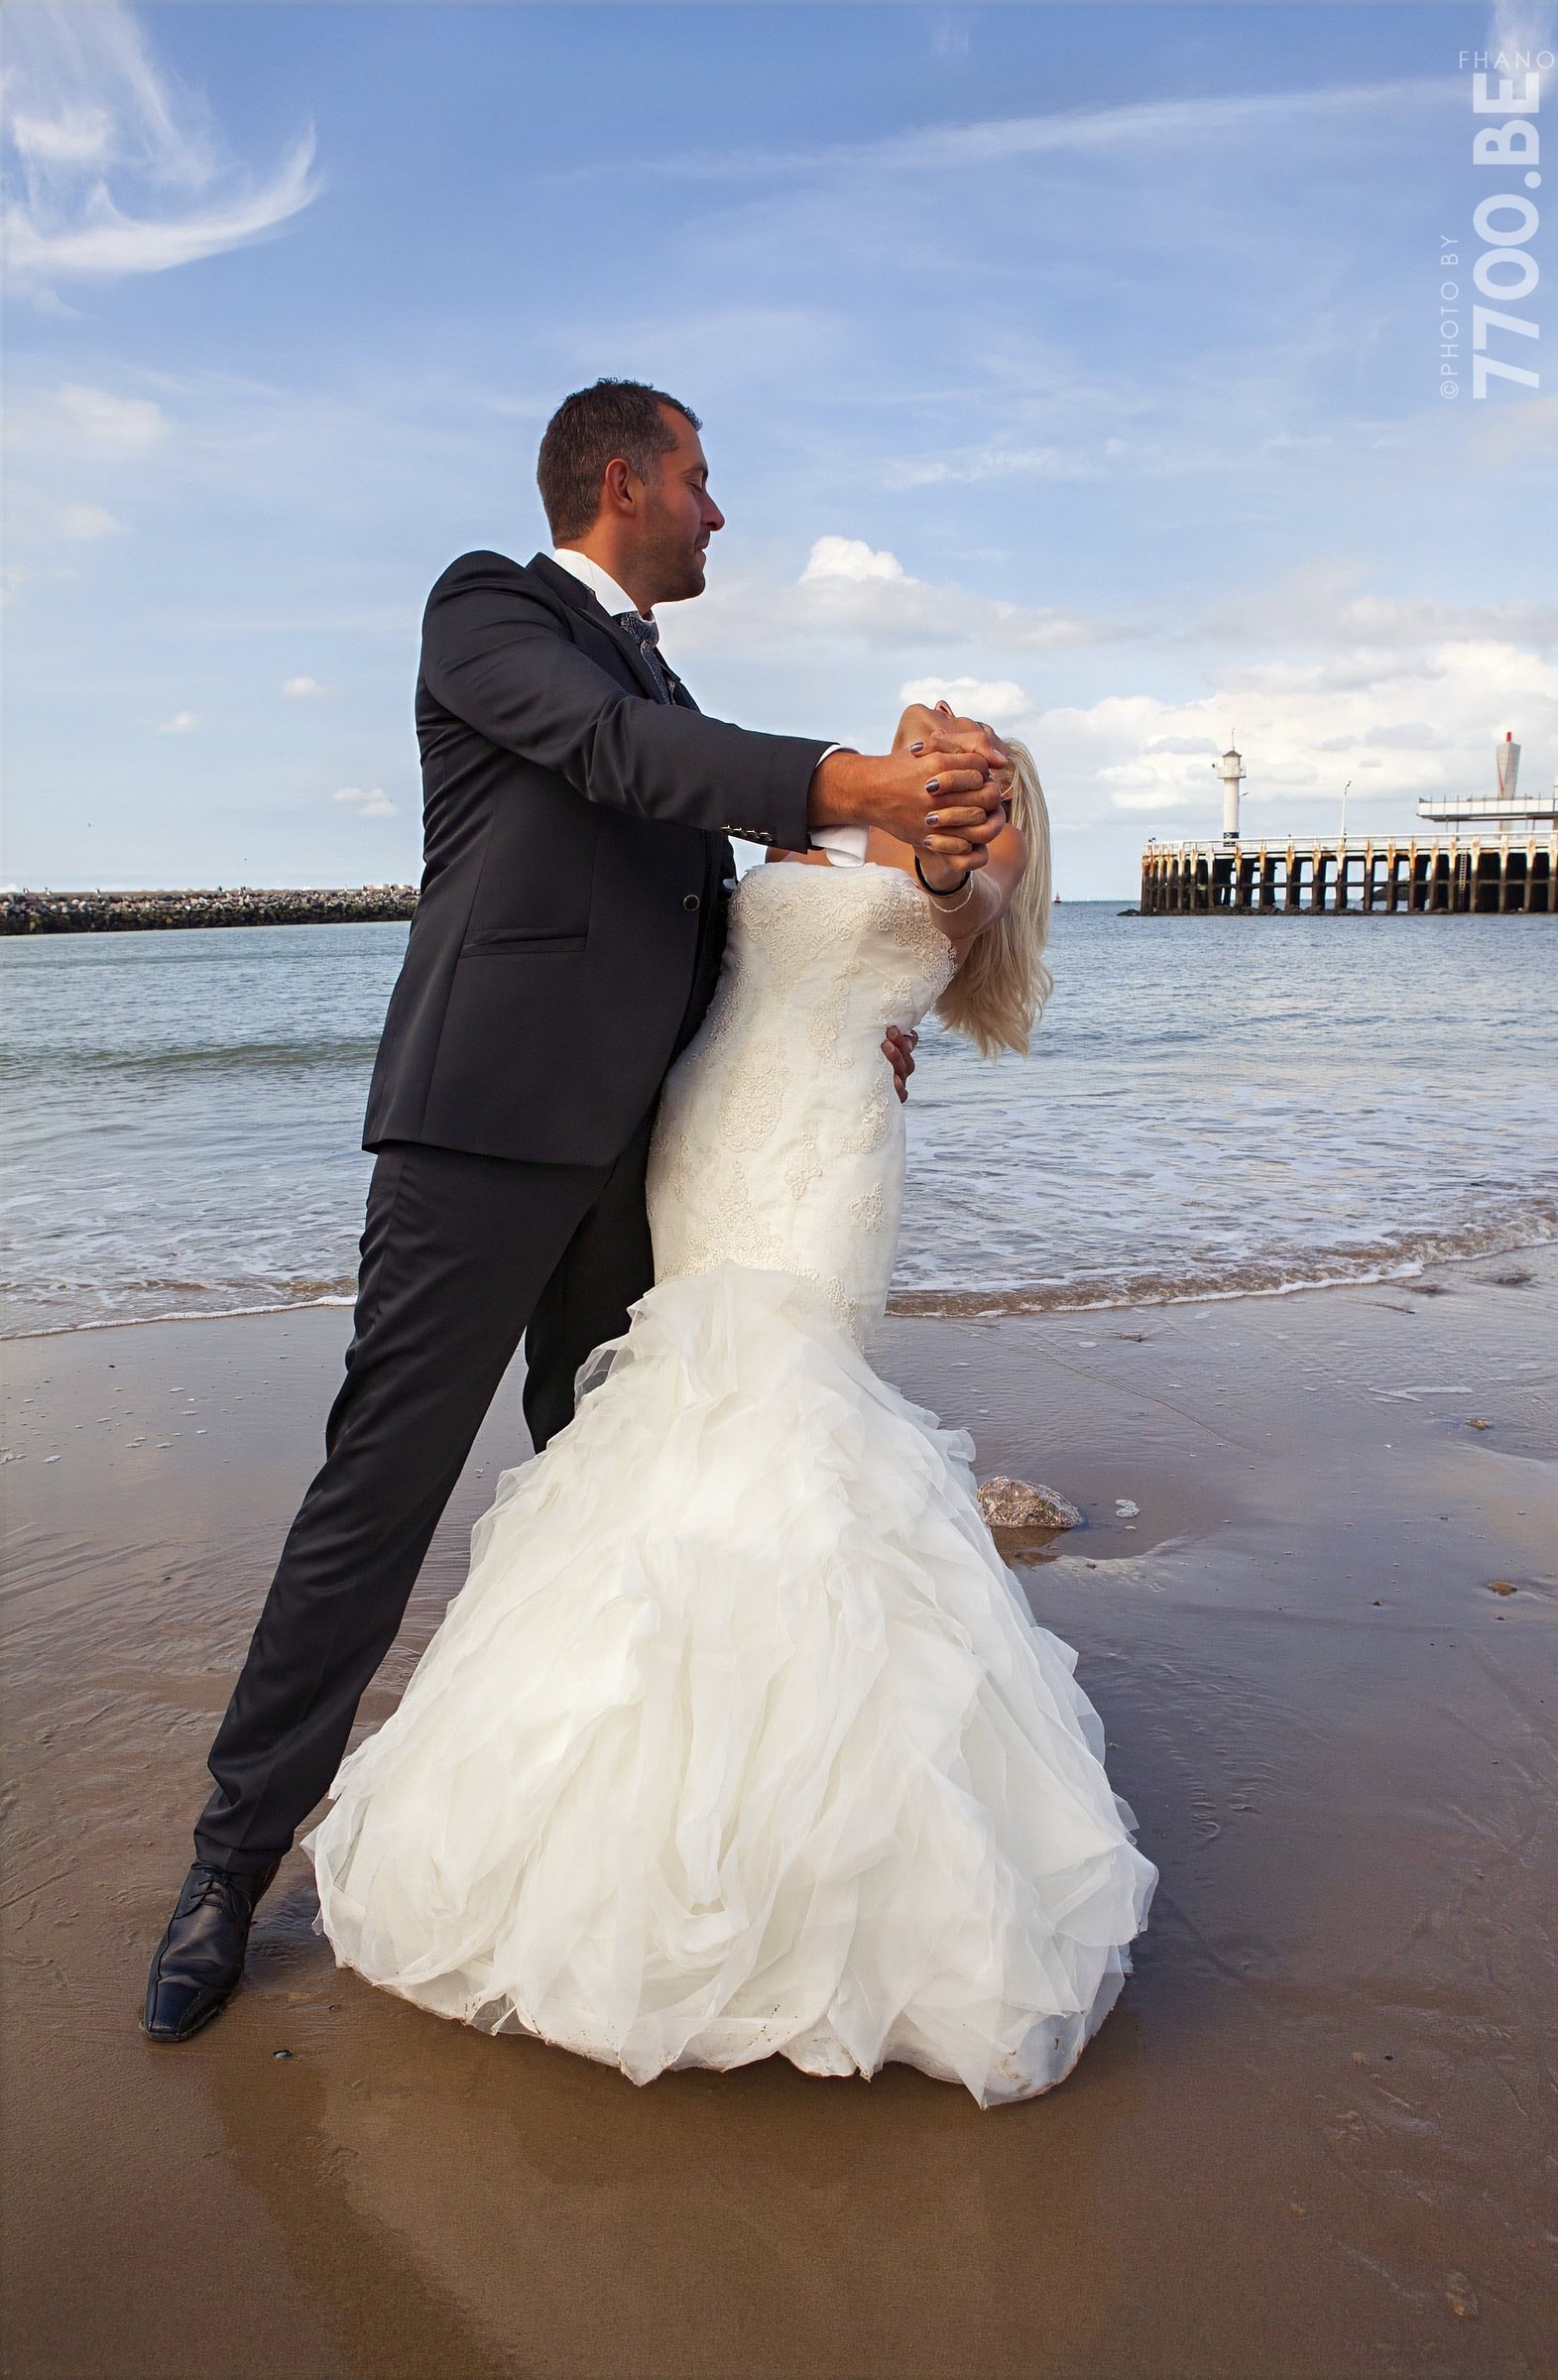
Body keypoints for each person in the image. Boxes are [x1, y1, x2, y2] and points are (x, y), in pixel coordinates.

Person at [143, 379, 1010, 2044]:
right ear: (625, 480)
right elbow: (628, 760)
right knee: (377, 1496)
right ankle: (226, 1864)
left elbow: (719, 881)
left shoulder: (668, 684)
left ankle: (562, 1857)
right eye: (701, 477)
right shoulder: (490, 612)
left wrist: (844, 1017)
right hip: (482, 1138)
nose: (718, 509)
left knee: (602, 1509)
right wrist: (858, 781)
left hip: (650, 1167)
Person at [304, 721, 1156, 2108]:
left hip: (822, 1159)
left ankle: (821, 1881)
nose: (929, 726)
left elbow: (955, 917)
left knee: (791, 1437)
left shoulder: (973, 841)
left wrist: (944, 866)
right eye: (922, 717)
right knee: (675, 1438)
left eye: (962, 736)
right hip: (700, 1137)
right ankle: (634, 1840)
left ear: (991, 782)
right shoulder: (816, 825)